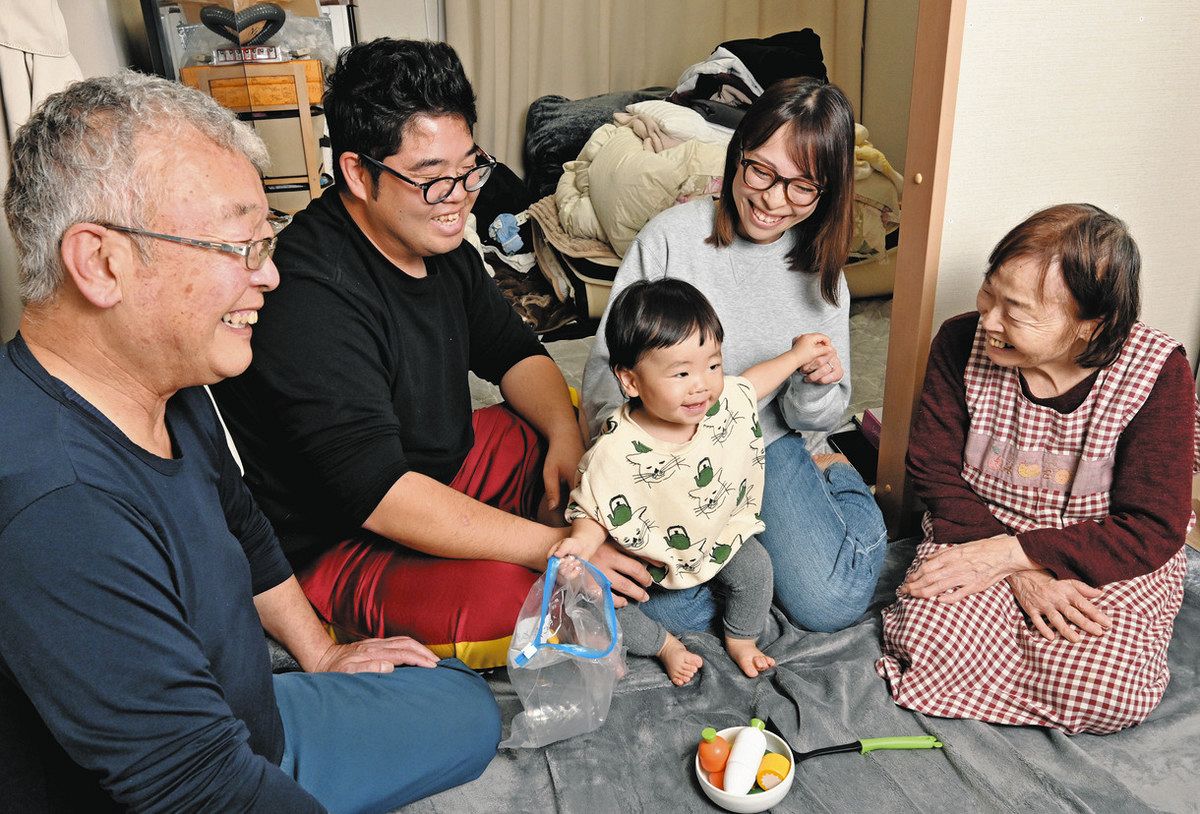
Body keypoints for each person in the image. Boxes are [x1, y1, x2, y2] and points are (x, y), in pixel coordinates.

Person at [0, 71, 500, 813]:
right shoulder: (58, 505)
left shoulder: (169, 376)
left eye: (266, 240)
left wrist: (323, 652)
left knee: (469, 710)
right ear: (101, 262)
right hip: (204, 774)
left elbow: (242, 522)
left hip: (249, 717)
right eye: (239, 245)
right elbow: (199, 790)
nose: (268, 274)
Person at [213, 39, 629, 670]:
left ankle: (515, 517)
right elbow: (380, 492)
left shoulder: (443, 241)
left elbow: (516, 353)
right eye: (434, 179)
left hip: (434, 464)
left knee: (586, 425)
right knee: (526, 604)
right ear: (357, 173)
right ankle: (352, 597)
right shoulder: (310, 296)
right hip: (344, 533)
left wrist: (566, 444)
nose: (461, 197)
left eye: (470, 170)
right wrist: (553, 546)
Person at [876, 203, 1200, 735]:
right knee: (925, 641)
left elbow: (1153, 526)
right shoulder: (961, 342)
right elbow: (934, 470)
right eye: (990, 292)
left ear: (1089, 324)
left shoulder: (1158, 371)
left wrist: (1015, 557)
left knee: (1111, 690)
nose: (989, 320)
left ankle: (1007, 683)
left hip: (1099, 546)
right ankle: (1013, 678)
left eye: (1017, 311)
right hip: (976, 528)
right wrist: (1017, 569)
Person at [581, 77, 888, 635]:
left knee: (829, 605)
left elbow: (814, 418)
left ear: (829, 191)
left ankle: (839, 477)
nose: (774, 200)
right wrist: (622, 467)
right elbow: (608, 371)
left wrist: (817, 383)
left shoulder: (823, 280)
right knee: (663, 605)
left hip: (769, 448)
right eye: (762, 172)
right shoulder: (670, 239)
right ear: (737, 155)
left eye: (802, 187)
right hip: (663, 450)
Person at [556, 280, 836, 684]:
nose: (701, 385)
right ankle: (664, 645)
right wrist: (581, 543)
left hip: (714, 534)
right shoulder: (616, 449)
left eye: (713, 365)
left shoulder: (717, 406)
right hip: (648, 556)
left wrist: (797, 356)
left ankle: (741, 638)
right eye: (682, 372)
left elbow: (753, 384)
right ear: (631, 381)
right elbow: (594, 503)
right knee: (606, 607)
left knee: (757, 569)